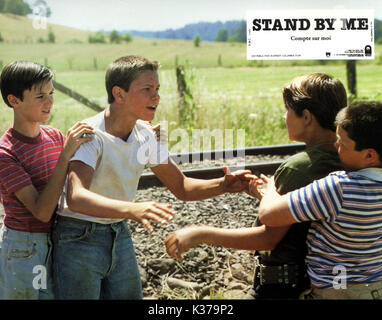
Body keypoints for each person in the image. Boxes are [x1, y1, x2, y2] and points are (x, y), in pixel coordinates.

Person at [52, 55, 251, 300]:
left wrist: (224, 185)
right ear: (119, 94)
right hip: (77, 237)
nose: (156, 96)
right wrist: (133, 209)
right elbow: (76, 197)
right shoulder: (90, 135)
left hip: (118, 232)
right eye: (146, 89)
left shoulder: (144, 134)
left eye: (157, 89)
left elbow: (182, 187)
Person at [165, 73, 347, 299]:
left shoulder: (298, 167)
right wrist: (267, 198)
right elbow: (308, 214)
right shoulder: (346, 159)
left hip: (281, 289)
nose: (284, 116)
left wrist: (199, 234)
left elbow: (268, 238)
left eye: (288, 110)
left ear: (307, 117)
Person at [257, 101, 382, 299]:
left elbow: (268, 215)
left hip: (336, 290)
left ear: (369, 155)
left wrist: (271, 187)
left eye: (342, 142)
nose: (335, 145)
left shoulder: (339, 187)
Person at [0, 60, 94, 299]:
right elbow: (41, 211)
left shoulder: (54, 136)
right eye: (40, 96)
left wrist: (138, 133)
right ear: (14, 101)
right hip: (24, 248)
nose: (50, 101)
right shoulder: (5, 153)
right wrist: (66, 155)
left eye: (51, 93)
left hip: (55, 240)